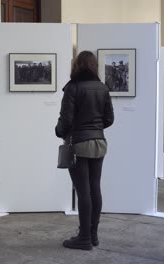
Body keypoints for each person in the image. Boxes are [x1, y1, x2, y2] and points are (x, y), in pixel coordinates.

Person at [55, 51, 114, 250]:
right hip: (99, 142)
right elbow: (109, 119)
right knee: (95, 188)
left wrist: (59, 131)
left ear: (77, 66)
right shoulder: (102, 87)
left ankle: (84, 238)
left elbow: (66, 119)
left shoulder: (73, 87)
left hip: (79, 143)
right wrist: (94, 128)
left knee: (83, 192)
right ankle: (93, 235)